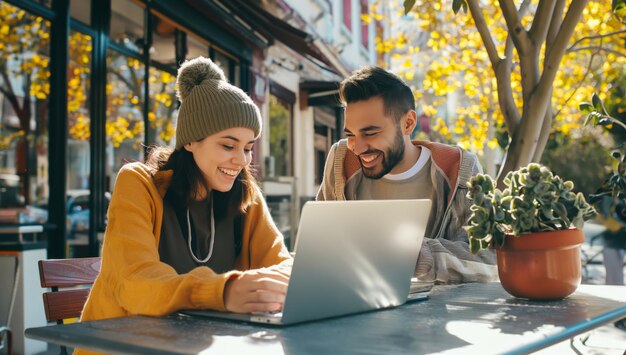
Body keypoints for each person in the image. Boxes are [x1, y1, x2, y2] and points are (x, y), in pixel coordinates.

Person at [80, 57, 292, 327]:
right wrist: (221, 291)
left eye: (248, 148)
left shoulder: (244, 195)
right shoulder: (138, 183)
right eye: (228, 146)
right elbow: (134, 279)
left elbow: (282, 265)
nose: (242, 161)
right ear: (190, 141)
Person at [316, 66, 497, 283]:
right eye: (351, 135)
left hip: (436, 310)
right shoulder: (341, 159)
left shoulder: (458, 168)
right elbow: (320, 243)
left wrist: (419, 255)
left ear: (408, 123)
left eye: (370, 133)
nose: (358, 147)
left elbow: (489, 259)